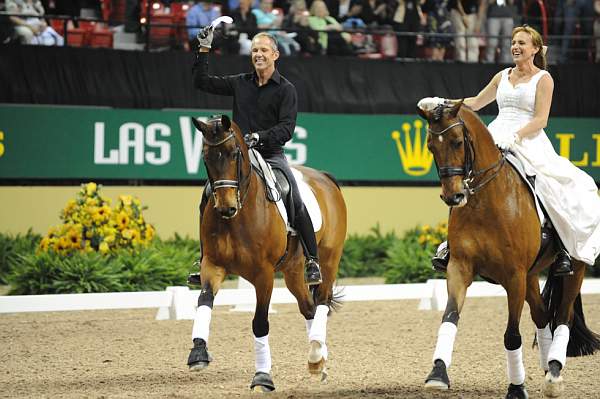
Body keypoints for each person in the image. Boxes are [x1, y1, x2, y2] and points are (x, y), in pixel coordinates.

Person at [432, 25, 600, 276]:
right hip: (496, 135)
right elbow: (477, 102)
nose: (516, 46)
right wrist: (445, 103)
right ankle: (451, 245)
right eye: (513, 42)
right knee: (467, 181)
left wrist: (517, 136)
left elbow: (542, 119)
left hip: (527, 138)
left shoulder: (543, 79)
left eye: (522, 42)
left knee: (547, 185)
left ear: (534, 49)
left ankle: (561, 248)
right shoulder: (502, 76)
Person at [192, 30, 323, 285]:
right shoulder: (240, 82)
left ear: (275, 55)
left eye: (263, 50)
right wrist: (204, 49)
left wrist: (259, 138)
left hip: (271, 155)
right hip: (239, 157)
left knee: (292, 195)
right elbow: (202, 82)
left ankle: (312, 260)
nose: (258, 54)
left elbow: (286, 129)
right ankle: (202, 258)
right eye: (254, 50)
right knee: (208, 194)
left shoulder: (286, 89)